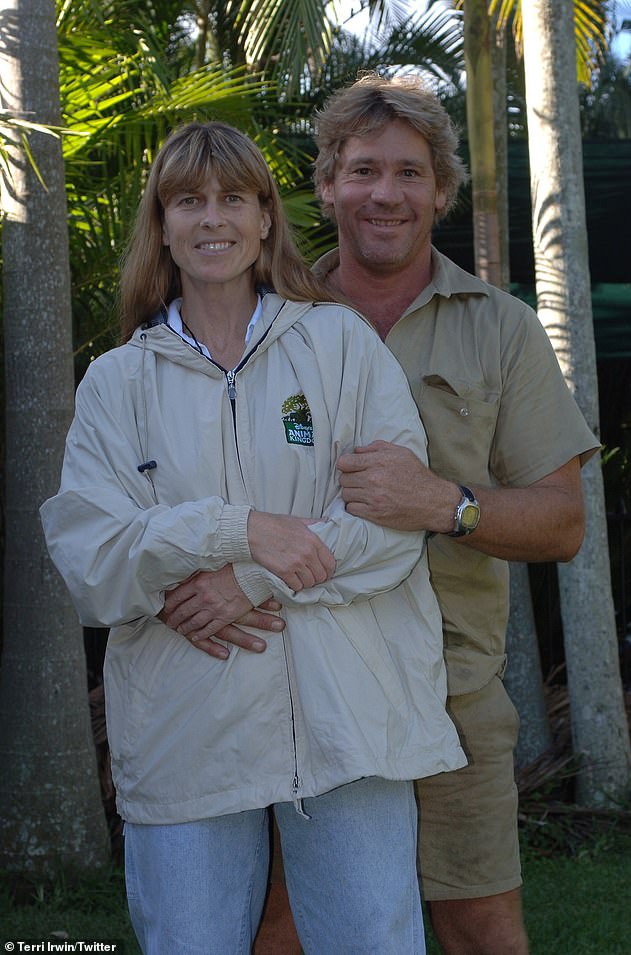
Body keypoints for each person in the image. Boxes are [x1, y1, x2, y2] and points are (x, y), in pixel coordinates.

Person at [40, 120, 467, 955]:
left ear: (267, 218)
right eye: (188, 200)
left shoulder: (339, 343)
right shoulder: (116, 382)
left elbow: (390, 525)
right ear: (160, 224)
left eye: (234, 198)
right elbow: (94, 564)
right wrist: (236, 529)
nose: (213, 219)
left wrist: (252, 579)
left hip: (350, 718)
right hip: (186, 725)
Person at [254, 73, 601, 954]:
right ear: (325, 182)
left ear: (441, 191)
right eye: (363, 169)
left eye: (410, 173)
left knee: (480, 926)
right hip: (300, 684)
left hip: (453, 696)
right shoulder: (268, 324)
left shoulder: (502, 327)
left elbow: (563, 523)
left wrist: (446, 503)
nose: (386, 194)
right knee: (286, 928)